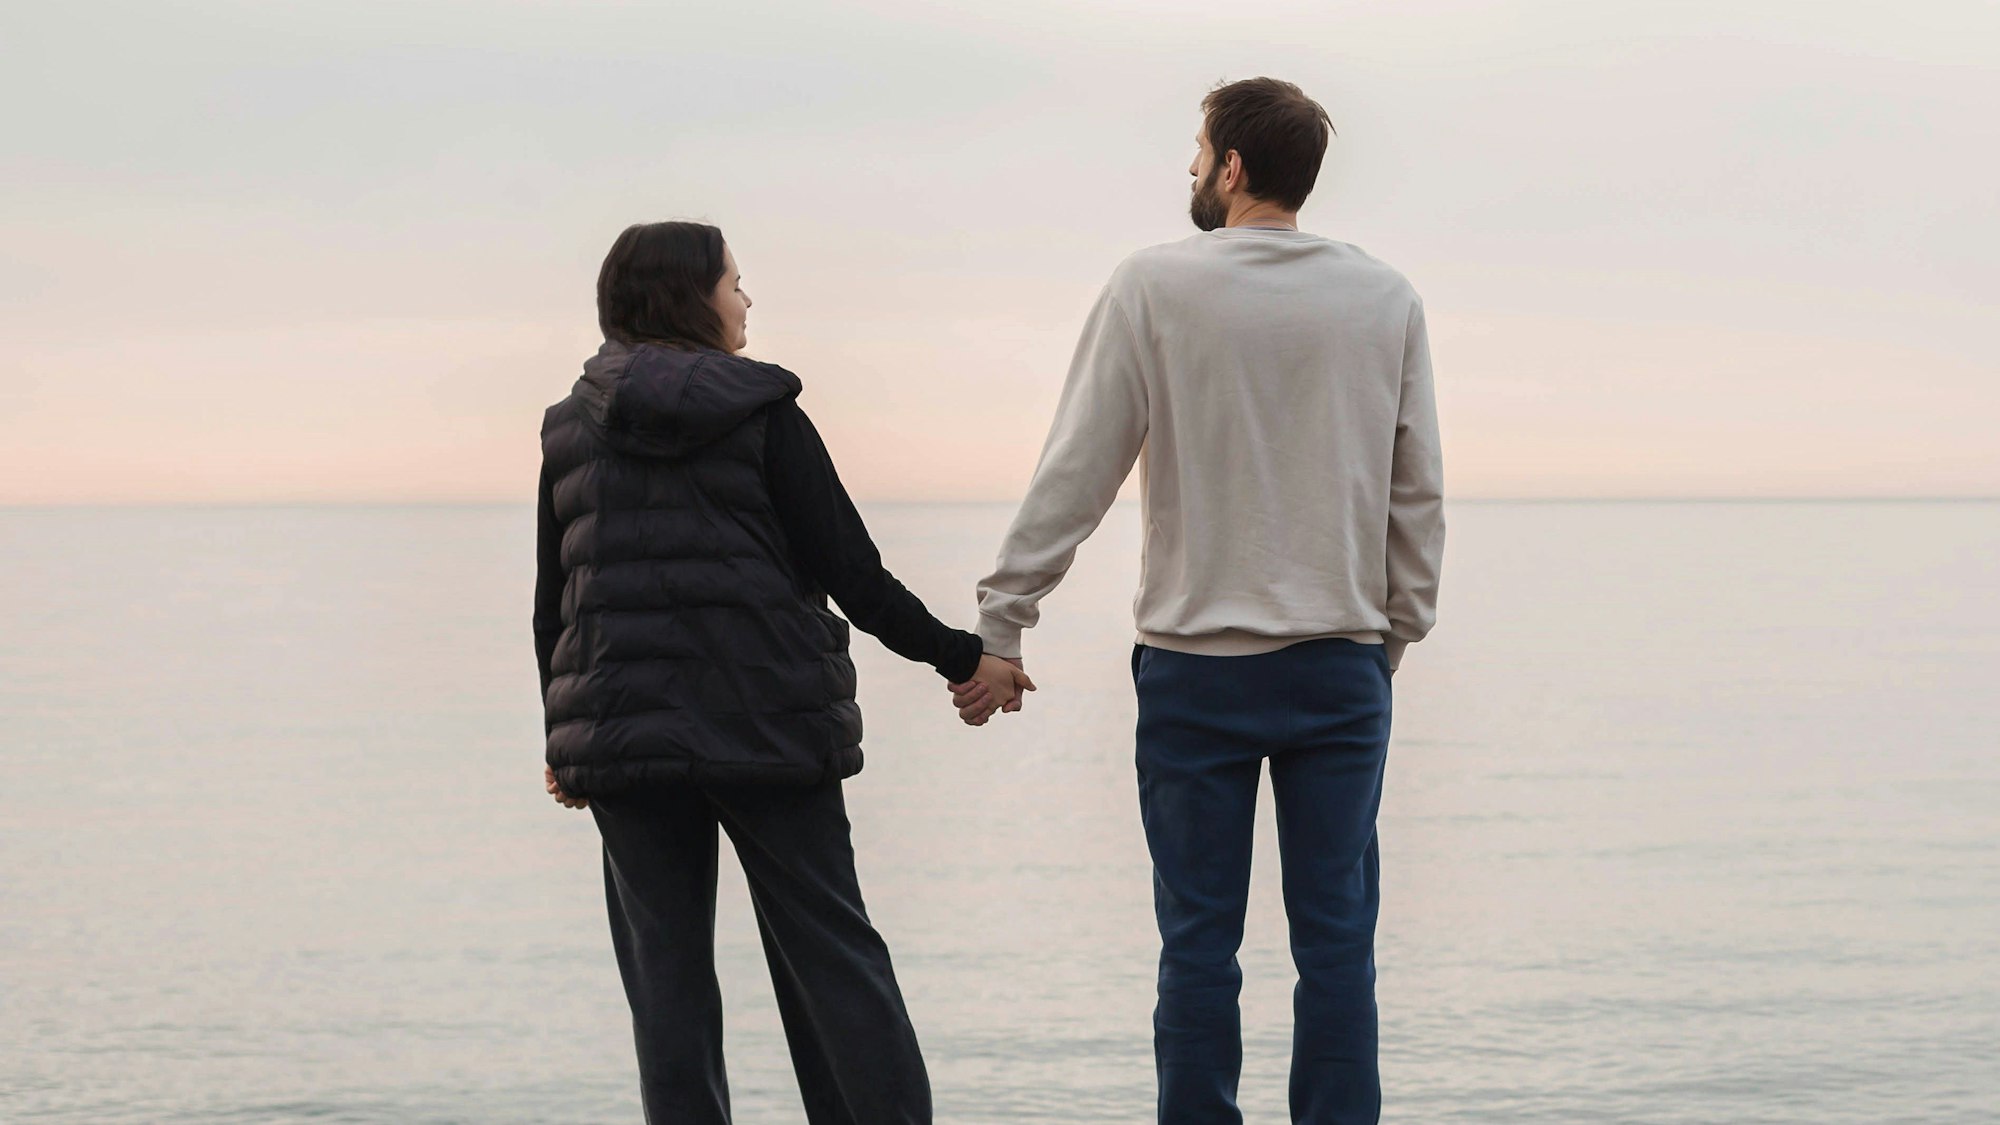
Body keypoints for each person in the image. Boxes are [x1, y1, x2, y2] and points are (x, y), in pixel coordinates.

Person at [949, 78, 1445, 1124]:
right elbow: (1416, 492)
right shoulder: (1385, 298)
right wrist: (1391, 635)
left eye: (1197, 148)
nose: (1188, 166)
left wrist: (1004, 619)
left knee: (1197, 946)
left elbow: (1077, 470)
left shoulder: (1152, 286)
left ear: (1232, 166)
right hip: (1337, 665)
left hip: (1193, 673)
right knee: (1337, 944)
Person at [533, 220, 1034, 1125]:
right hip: (768, 726)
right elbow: (853, 574)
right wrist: (968, 657)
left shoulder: (571, 427)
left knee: (667, 986)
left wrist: (563, 740)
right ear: (691, 297)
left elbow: (555, 603)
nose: (746, 298)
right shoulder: (762, 413)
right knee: (835, 965)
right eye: (734, 282)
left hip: (622, 737)